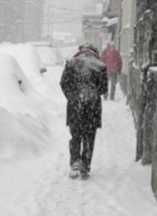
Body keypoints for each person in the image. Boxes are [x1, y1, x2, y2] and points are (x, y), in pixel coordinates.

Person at [60, 44, 108, 179]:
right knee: (89, 137)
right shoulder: (100, 66)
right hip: (92, 109)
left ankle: (75, 162)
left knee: (75, 136)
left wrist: (72, 97)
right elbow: (104, 89)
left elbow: (64, 83)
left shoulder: (71, 63)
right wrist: (92, 95)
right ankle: (85, 166)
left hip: (75, 107)